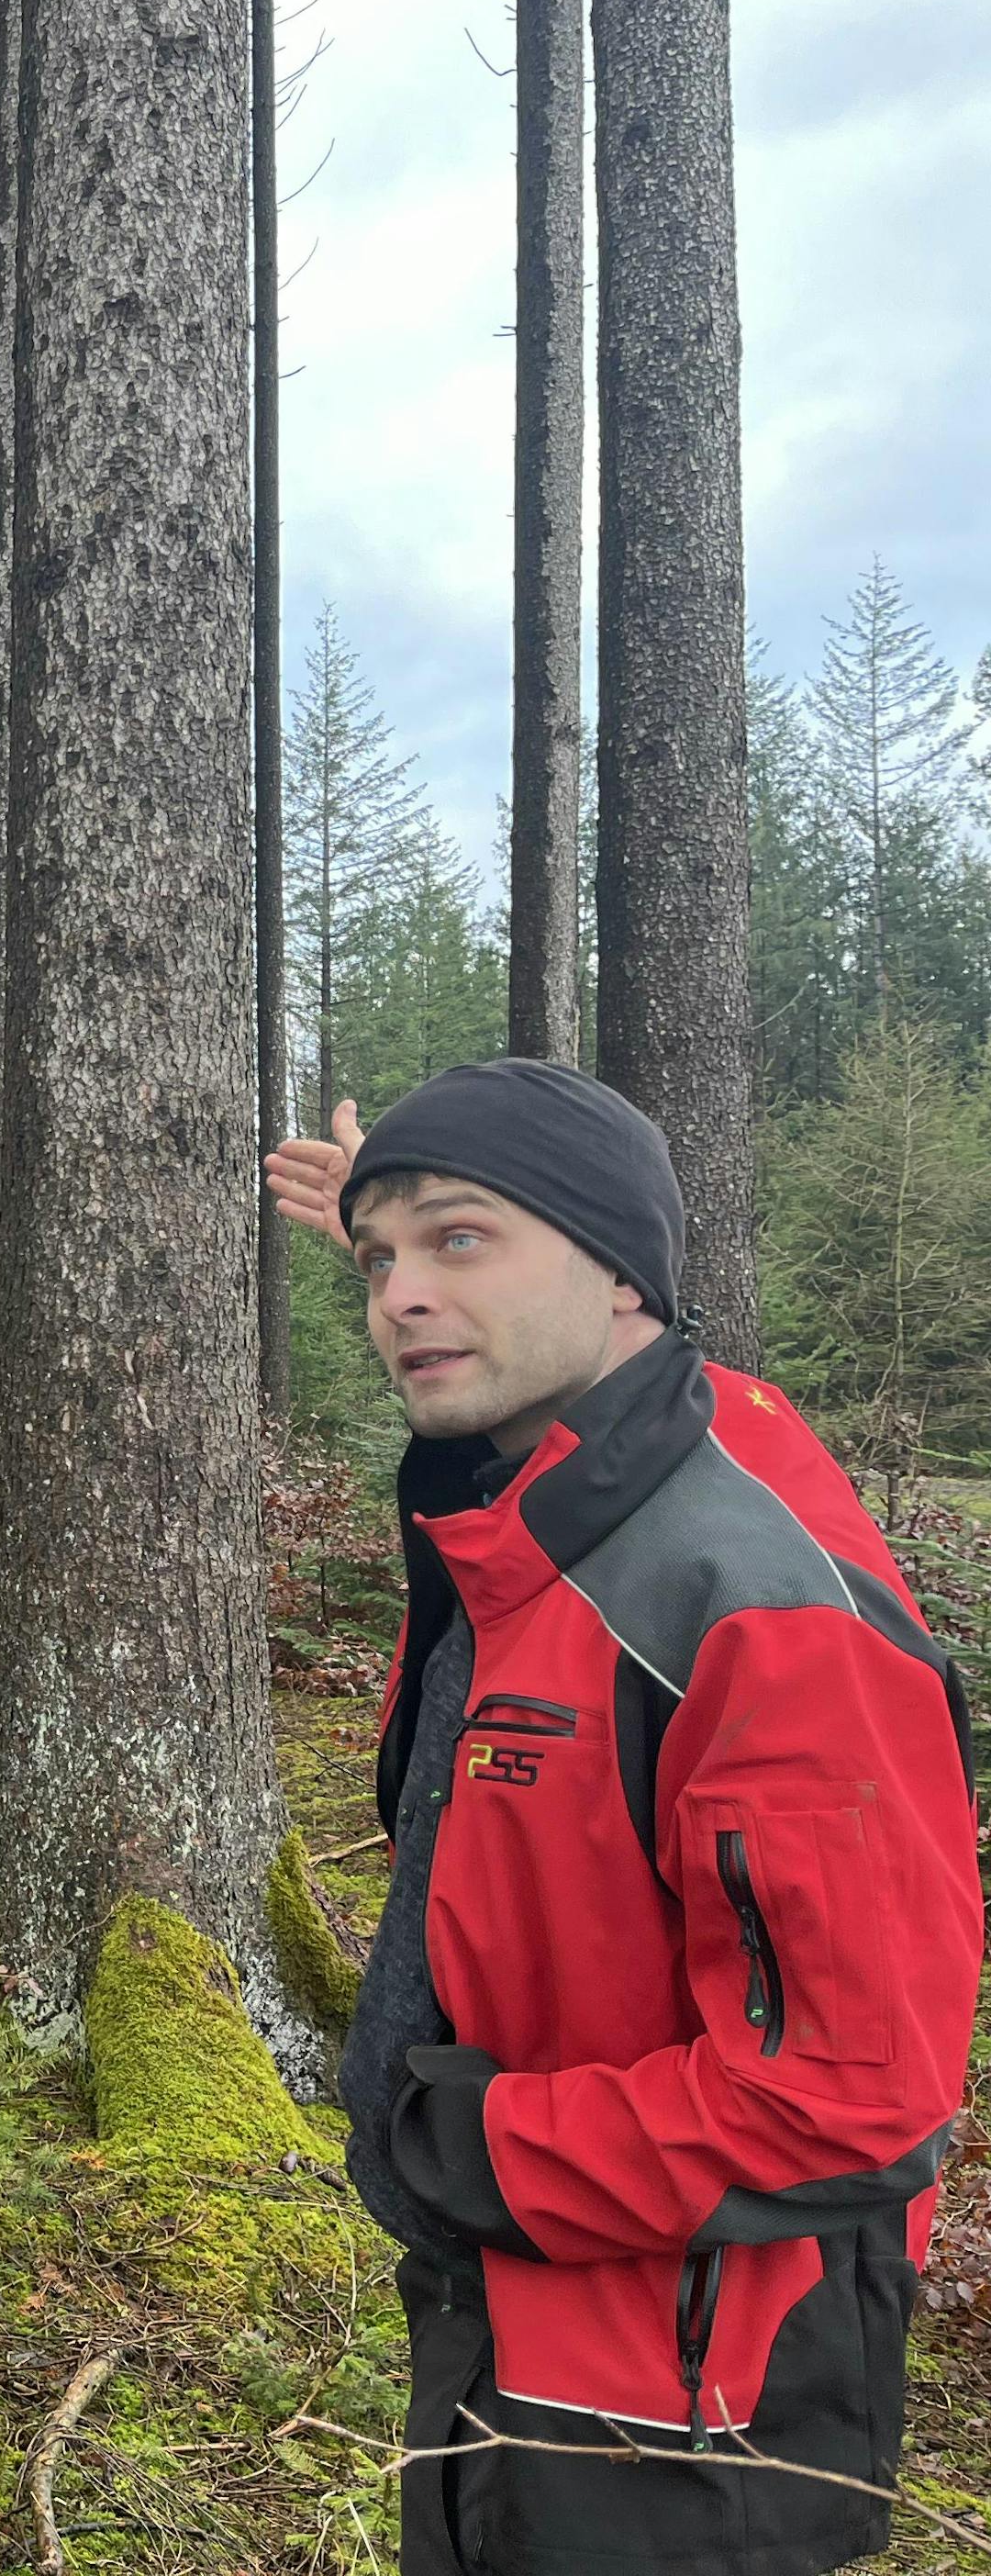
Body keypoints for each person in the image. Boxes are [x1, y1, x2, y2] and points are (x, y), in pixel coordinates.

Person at [264, 1058, 979, 2576]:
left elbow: (857, 2094)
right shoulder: (550, 1495)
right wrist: (428, 1215)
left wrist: (482, 2153)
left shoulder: (756, 1611)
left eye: (458, 1241)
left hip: (693, 2408)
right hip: (519, 2321)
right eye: (380, 1259)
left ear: (625, 1277)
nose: (398, 1296)